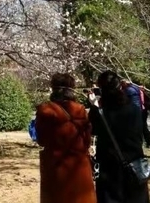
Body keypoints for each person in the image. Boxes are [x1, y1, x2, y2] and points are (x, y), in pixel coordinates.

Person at [89, 71, 150, 203]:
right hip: (135, 164)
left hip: (109, 167)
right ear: (120, 87)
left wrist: (93, 106)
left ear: (100, 90)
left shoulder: (99, 114)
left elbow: (92, 131)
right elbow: (139, 134)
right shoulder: (134, 109)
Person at [35, 73, 97, 203]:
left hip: (55, 165)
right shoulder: (80, 109)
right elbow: (87, 140)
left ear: (53, 88)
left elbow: (41, 139)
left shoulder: (45, 110)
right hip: (79, 165)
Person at [122, 79, 150, 148]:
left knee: (139, 127)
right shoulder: (138, 89)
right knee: (143, 127)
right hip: (143, 110)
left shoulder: (130, 90)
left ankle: (142, 143)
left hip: (139, 110)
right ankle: (148, 143)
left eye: (122, 84)